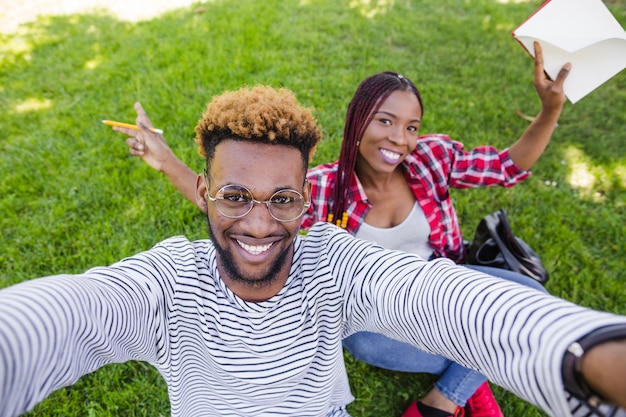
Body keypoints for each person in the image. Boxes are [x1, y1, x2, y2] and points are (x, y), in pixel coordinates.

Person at [2, 84, 626, 417]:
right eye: (234, 196)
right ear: (203, 193)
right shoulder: (169, 282)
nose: (259, 223)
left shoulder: (332, 263)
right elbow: (76, 312)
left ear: (306, 200)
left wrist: (593, 354)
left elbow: (442, 298)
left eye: (282, 200)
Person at [116, 42, 568, 416]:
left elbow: (508, 165)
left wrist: (550, 109)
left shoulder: (431, 159)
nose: (399, 139)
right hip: (375, 321)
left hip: (436, 285)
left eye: (411, 127)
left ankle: (444, 398)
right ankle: (473, 376)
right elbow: (236, 202)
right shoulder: (323, 188)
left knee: (531, 299)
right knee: (485, 339)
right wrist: (163, 158)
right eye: (385, 121)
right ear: (358, 121)